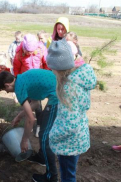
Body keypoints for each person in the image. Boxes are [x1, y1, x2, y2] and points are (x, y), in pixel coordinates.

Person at [0, 69, 59, 182]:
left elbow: (31, 119)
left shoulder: (19, 88)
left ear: (7, 84)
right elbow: (35, 103)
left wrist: (24, 140)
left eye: (5, 90)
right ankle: (42, 157)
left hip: (59, 95)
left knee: (45, 137)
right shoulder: (22, 79)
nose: (7, 92)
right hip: (58, 90)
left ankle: (51, 177)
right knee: (44, 129)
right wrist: (19, 116)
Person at [47, 39, 96, 182]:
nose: (51, 70)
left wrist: (53, 135)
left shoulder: (68, 88)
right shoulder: (79, 78)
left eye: (52, 67)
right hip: (78, 136)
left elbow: (70, 124)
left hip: (69, 143)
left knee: (68, 176)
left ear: (58, 67)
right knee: (69, 172)